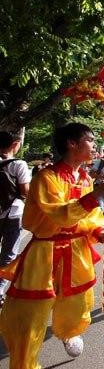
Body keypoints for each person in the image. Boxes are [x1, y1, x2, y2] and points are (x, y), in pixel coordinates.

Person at [0, 123, 104, 369]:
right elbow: (59, 215)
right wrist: (95, 197)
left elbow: (89, 218)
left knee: (76, 305)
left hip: (76, 253)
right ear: (72, 143)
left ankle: (68, 331)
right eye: (90, 140)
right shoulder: (46, 178)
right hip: (44, 251)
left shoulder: (85, 179)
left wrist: (99, 231)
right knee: (29, 317)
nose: (94, 145)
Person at [0, 131, 31, 307]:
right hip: (13, 213)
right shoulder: (18, 164)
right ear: (14, 144)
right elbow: (25, 191)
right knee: (9, 253)